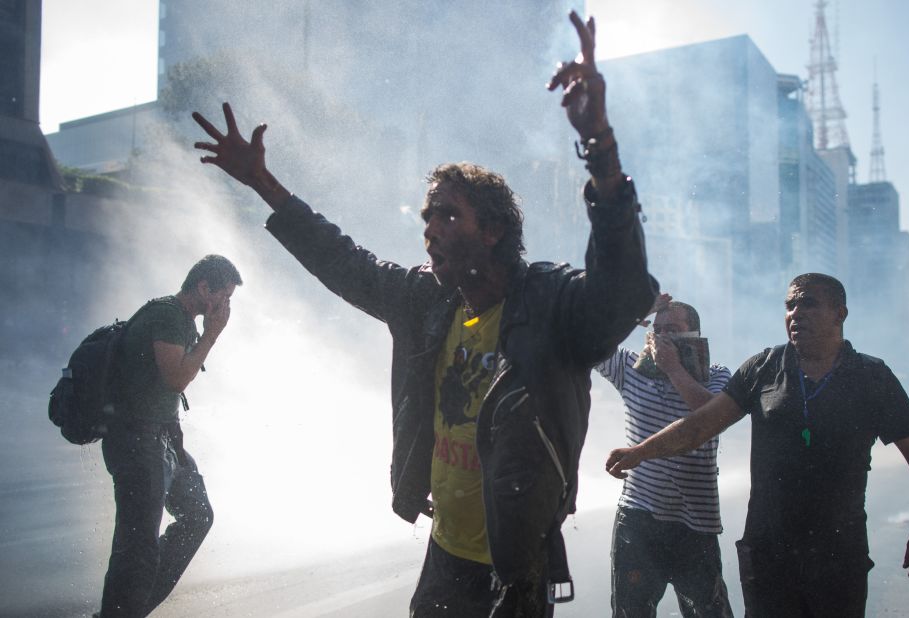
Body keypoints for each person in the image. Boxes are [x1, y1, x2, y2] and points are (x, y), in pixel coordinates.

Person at [191, 11, 656, 617]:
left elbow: (622, 290)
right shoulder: (425, 300)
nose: (429, 229)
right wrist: (263, 183)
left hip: (516, 570)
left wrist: (600, 148)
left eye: (447, 215)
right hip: (444, 558)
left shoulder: (550, 305)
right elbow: (345, 261)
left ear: (492, 231)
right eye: (426, 216)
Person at [606, 273, 909, 618]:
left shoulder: (872, 377)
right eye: (790, 305)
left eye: (808, 303)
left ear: (840, 313)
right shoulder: (763, 369)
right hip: (767, 558)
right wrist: (639, 453)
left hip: (838, 557)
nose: (796, 313)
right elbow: (699, 426)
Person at [98, 254, 241, 618]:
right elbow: (177, 378)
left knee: (196, 515)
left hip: (162, 438)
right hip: (136, 441)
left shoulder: (180, 318)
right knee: (138, 545)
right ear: (203, 287)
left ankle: (132, 608)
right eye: (223, 296)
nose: (226, 306)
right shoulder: (168, 316)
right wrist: (211, 335)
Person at [594, 293, 734, 618]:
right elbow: (591, 343)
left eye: (672, 330)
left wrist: (674, 370)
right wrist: (637, 312)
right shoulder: (631, 367)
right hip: (638, 517)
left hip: (695, 521)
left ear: (693, 336)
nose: (662, 338)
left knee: (709, 612)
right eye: (657, 330)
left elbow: (711, 416)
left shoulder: (717, 375)